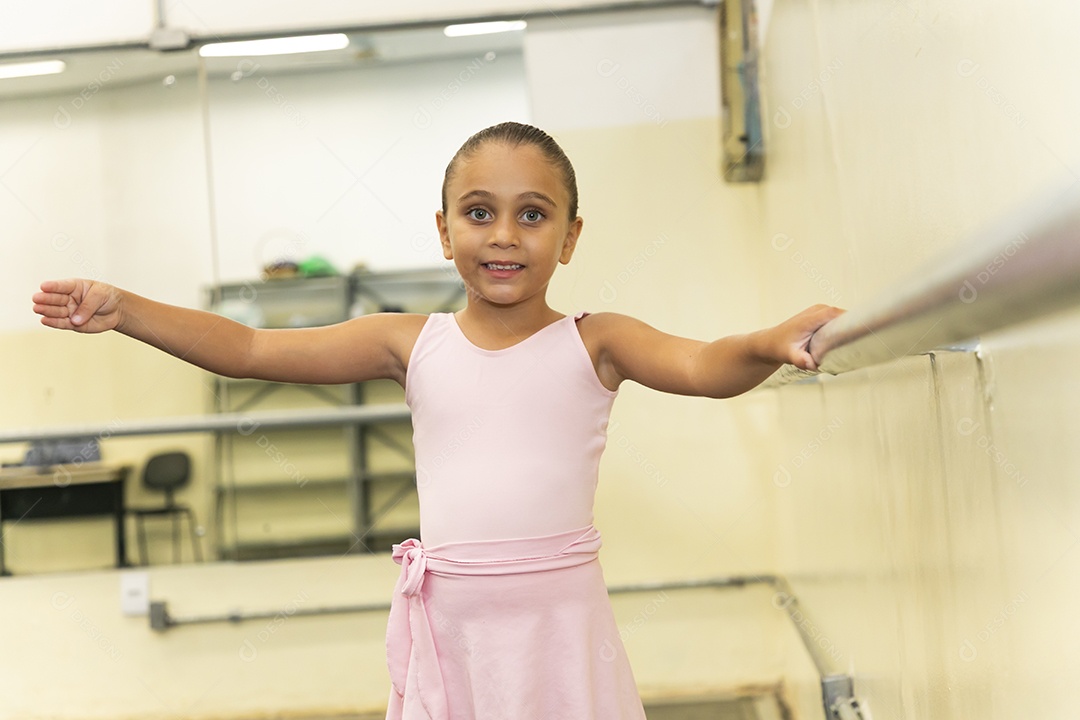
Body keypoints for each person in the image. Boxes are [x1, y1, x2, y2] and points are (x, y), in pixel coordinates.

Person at [33, 121, 843, 719]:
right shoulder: (407, 341)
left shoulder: (597, 340)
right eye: (479, 211)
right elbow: (247, 346)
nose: (503, 235)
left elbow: (704, 366)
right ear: (444, 230)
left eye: (533, 215)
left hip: (559, 623)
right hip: (453, 626)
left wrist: (770, 341)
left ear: (569, 237)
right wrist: (126, 307)